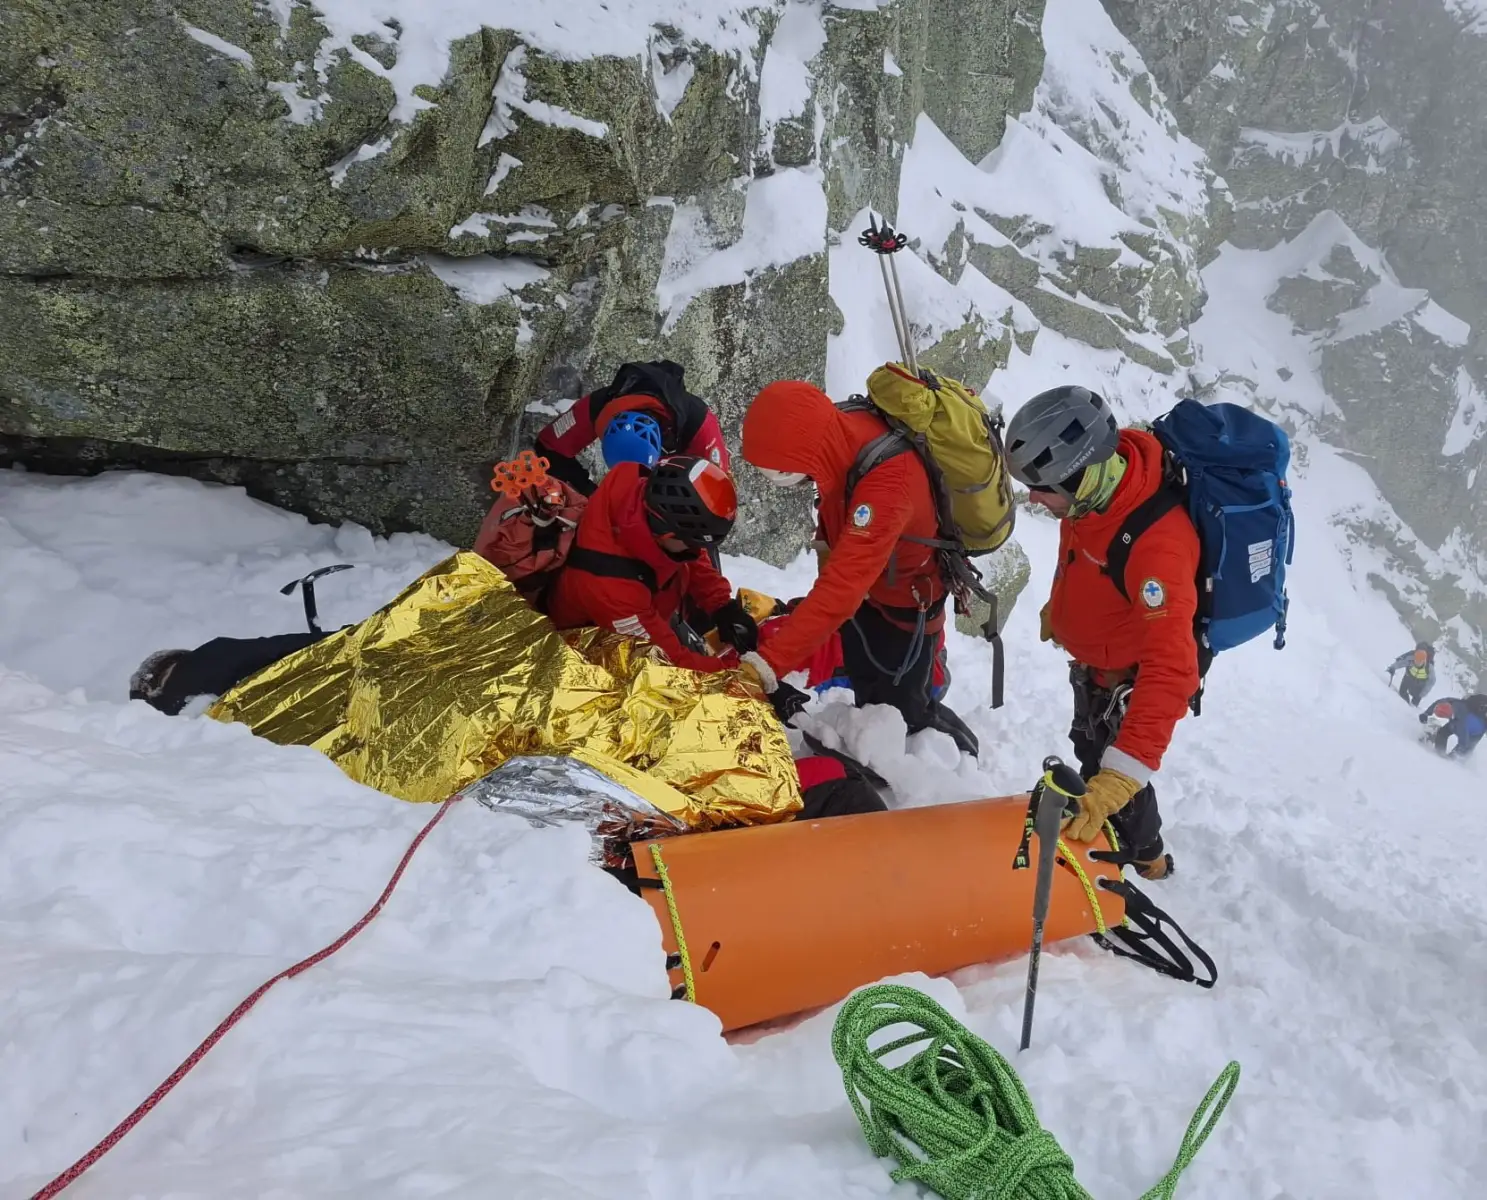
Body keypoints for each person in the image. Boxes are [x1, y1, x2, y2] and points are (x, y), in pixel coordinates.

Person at [1005, 385, 1201, 881]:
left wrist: (1118, 780)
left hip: (1126, 676)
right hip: (1097, 661)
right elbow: (1087, 554)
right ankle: (1129, 826)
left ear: (1081, 473)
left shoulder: (1160, 549)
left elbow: (1173, 669)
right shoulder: (1098, 490)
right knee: (1088, 745)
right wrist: (1064, 608)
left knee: (1107, 766)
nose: (1034, 496)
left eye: (1044, 486)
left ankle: (1147, 857)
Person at [733, 380, 980, 757]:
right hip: (873, 591)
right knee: (869, 685)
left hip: (906, 604)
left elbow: (842, 588)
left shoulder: (887, 485)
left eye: (780, 469)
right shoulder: (837, 435)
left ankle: (941, 758)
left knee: (902, 708)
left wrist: (767, 664)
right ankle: (880, 737)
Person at [545, 455, 758, 674]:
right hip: (588, 642)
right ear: (666, 533)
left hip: (649, 602)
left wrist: (721, 605)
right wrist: (737, 672)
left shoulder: (638, 490)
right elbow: (668, 662)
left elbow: (692, 555)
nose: (695, 550)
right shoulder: (613, 589)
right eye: (691, 542)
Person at [533, 360, 729, 496]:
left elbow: (716, 489)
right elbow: (548, 447)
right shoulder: (599, 407)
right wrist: (587, 492)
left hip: (677, 470)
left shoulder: (699, 424)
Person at [1420, 695, 1487, 759]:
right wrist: (1426, 713)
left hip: (1476, 732)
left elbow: (1463, 743)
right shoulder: (1451, 702)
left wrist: (1452, 756)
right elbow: (1437, 703)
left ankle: (1454, 766)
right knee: (1442, 732)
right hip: (1460, 720)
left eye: (1443, 716)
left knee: (1464, 753)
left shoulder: (1461, 724)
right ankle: (1439, 752)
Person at [1387, 641, 1435, 708]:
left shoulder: (1429, 667)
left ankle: (1411, 710)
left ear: (1424, 660)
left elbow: (1431, 681)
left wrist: (1423, 693)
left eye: (1420, 661)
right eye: (1416, 660)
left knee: (1414, 703)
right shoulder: (1411, 659)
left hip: (1420, 685)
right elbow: (1401, 663)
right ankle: (1404, 706)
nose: (1417, 662)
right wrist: (1392, 667)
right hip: (1408, 678)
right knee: (1402, 693)